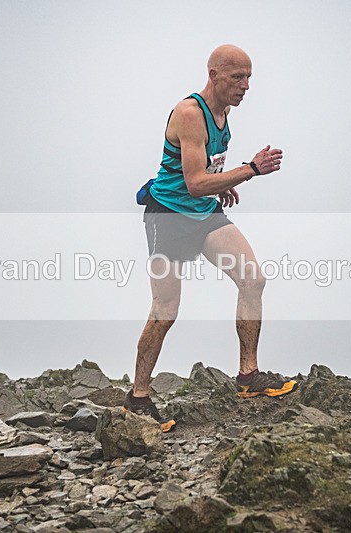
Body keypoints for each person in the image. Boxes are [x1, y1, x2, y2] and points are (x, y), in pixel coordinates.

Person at [124, 44, 297, 432]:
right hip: (167, 215)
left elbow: (206, 173)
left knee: (252, 278)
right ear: (214, 75)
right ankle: (137, 398)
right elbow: (194, 181)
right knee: (165, 310)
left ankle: (248, 376)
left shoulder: (224, 112)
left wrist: (224, 185)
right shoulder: (190, 113)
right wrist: (249, 169)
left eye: (249, 77)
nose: (246, 86)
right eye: (238, 77)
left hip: (203, 213)